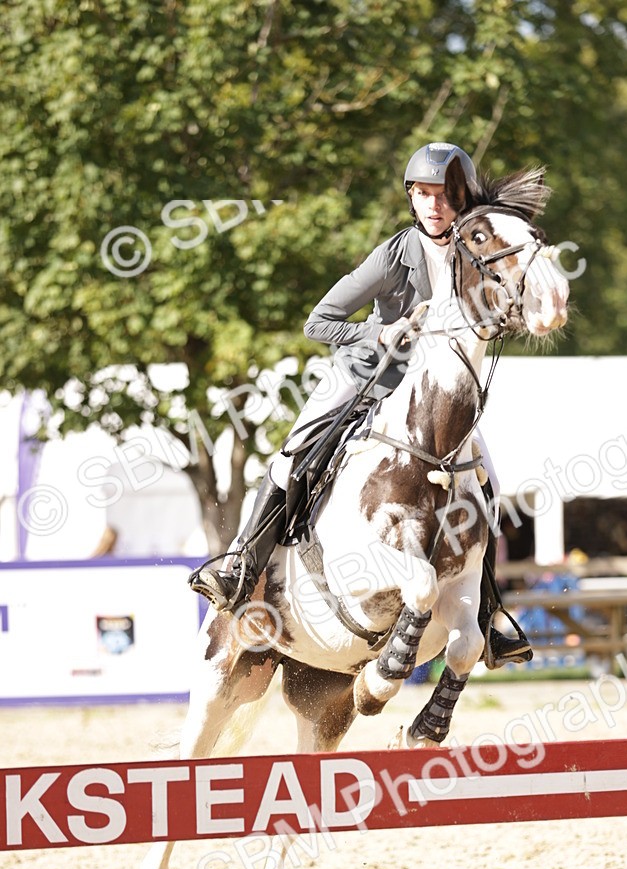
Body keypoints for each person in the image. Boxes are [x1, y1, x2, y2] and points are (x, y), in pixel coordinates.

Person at [189, 141, 532, 667]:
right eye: (422, 195)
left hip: (433, 398)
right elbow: (318, 322)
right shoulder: (394, 255)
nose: (433, 205)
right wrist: (382, 329)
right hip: (369, 379)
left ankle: (488, 611)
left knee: (485, 478)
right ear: (411, 199)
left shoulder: (478, 253)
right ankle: (240, 565)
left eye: (442, 195)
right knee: (294, 454)